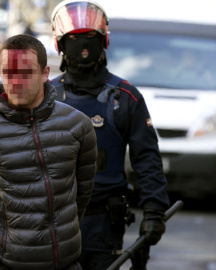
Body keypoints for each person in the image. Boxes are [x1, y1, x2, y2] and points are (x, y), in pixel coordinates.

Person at [0, 34, 97, 270]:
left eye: (26, 72)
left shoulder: (77, 125)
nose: (16, 81)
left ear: (44, 73)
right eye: (8, 73)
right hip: (3, 262)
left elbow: (81, 194)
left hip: (65, 261)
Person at [50, 1, 170, 269]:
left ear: (103, 40)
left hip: (104, 224)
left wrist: (154, 211)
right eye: (74, 38)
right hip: (51, 221)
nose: (83, 45)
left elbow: (147, 158)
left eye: (90, 36)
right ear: (60, 42)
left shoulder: (126, 97)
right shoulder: (44, 96)